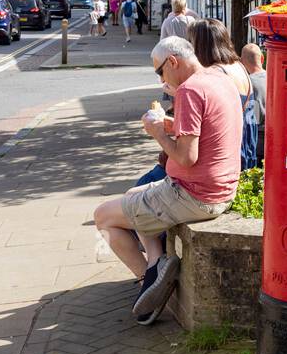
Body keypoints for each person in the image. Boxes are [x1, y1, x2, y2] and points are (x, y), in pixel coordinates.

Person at [92, 36, 242, 324]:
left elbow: (186, 158)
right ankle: (156, 262)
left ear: (173, 61)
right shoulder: (219, 78)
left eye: (160, 71)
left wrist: (158, 133)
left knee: (103, 217)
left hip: (193, 194)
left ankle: (148, 281)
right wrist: (173, 125)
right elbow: (206, 133)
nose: (161, 78)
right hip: (221, 188)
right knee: (135, 192)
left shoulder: (190, 90)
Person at [189, 19, 258, 170]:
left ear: (201, 45)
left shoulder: (217, 72)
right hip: (248, 137)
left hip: (231, 142)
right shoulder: (238, 65)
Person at [241, 43, 266, 164]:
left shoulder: (248, 84)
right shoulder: (274, 77)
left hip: (259, 141)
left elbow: (254, 118)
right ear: (262, 58)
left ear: (242, 62)